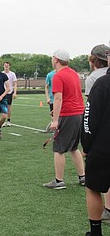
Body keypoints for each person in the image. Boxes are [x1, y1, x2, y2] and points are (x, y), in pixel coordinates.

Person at [43, 49, 85, 189]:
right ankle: (82, 177)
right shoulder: (74, 74)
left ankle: (59, 180)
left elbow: (59, 97)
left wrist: (55, 120)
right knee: (74, 147)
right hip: (78, 113)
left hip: (68, 114)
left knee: (59, 148)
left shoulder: (58, 76)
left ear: (56, 59)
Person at [81, 48, 110, 236]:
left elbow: (89, 119)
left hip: (103, 147)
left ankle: (95, 231)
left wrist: (86, 146)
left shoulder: (102, 83)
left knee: (93, 188)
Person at [3, 62, 17, 126]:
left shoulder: (12, 74)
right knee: (2, 106)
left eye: (7, 65)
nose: (6, 67)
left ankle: (8, 120)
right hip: (2, 92)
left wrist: (14, 92)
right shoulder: (1, 74)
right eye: (5, 65)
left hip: (9, 92)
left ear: (9, 66)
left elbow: (15, 83)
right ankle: (2, 120)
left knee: (8, 107)